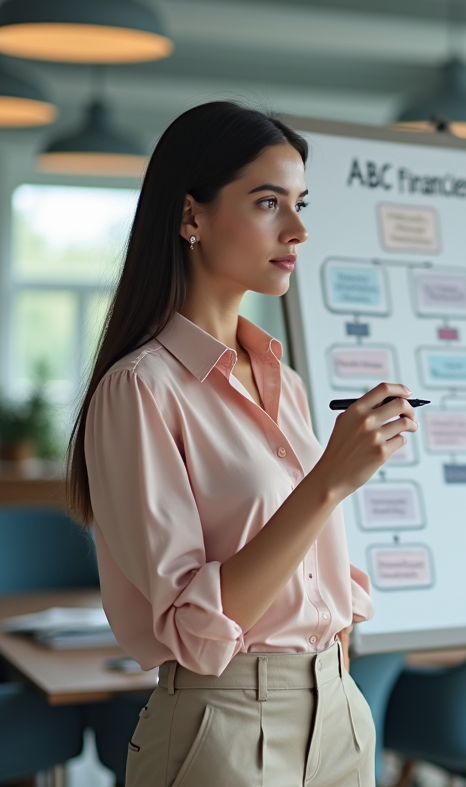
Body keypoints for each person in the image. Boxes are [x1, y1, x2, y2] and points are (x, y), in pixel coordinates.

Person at [67, 102, 418, 787]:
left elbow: (316, 574)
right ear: (191, 217)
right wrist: (329, 481)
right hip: (226, 723)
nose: (297, 228)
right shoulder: (141, 389)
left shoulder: (280, 378)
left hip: (338, 708)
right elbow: (196, 631)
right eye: (267, 202)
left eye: (300, 203)